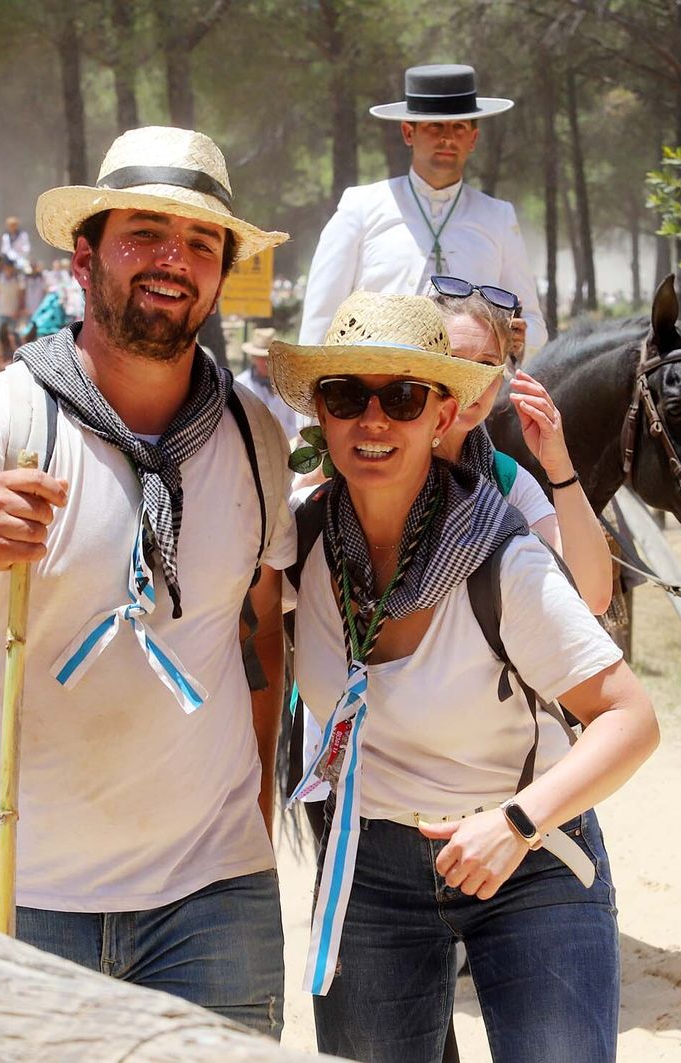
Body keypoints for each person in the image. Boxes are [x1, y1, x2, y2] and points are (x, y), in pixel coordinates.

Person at [0, 126, 293, 1037]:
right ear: (85, 257)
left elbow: (259, 634)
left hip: (213, 905)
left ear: (218, 275)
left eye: (202, 243)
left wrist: (248, 827)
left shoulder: (256, 438)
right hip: (13, 888)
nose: (175, 260)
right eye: (146, 233)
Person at [270, 291, 657, 1063]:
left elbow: (630, 718)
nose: (374, 420)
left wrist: (515, 823)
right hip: (369, 866)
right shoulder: (297, 547)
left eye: (404, 396)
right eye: (349, 395)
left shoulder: (502, 555)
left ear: (443, 415)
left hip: (533, 857)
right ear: (321, 413)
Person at [299, 64, 548, 358]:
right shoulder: (362, 207)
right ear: (408, 132)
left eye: (459, 127)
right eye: (434, 126)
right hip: (379, 388)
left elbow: (533, 324)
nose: (447, 138)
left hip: (468, 396)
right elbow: (321, 317)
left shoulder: (498, 217)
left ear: (473, 139)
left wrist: (520, 337)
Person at [429, 278, 612, 610]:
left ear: (502, 377)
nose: (472, 380)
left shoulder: (505, 478)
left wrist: (560, 467)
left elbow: (592, 595)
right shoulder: (377, 457)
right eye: (455, 361)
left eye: (486, 365)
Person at [235, 328, 305, 444]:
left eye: (268, 357)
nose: (265, 362)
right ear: (254, 358)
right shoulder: (240, 385)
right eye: (261, 358)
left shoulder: (288, 384)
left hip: (287, 448)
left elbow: (296, 420)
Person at [0, 253, 25, 367]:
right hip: (1, 312)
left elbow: (21, 297)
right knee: (1, 338)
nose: (8, 269)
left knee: (12, 338)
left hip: (12, 313)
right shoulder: (0, 279)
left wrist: (19, 311)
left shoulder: (18, 280)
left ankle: (11, 361)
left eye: (9, 267)